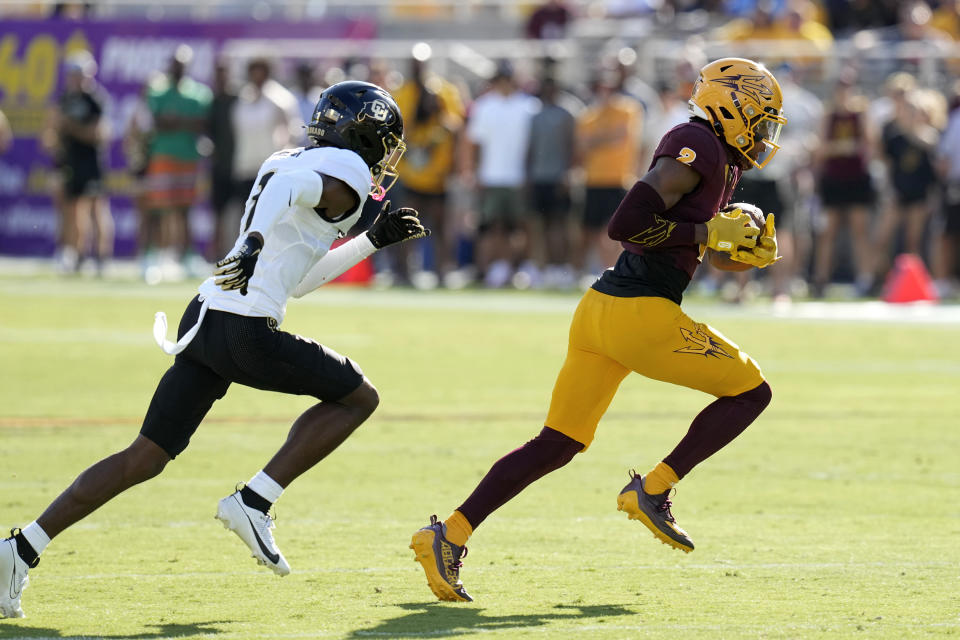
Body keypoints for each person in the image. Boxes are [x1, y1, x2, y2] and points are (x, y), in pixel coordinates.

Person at [0, 81, 429, 619]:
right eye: (384, 141)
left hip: (205, 317)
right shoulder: (345, 168)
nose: (387, 156)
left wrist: (371, 240)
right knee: (359, 397)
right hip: (244, 330)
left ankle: (20, 549)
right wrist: (250, 242)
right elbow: (288, 195)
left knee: (144, 457)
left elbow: (296, 280)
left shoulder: (293, 156)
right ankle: (255, 500)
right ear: (360, 134)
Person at [410, 58, 785, 602]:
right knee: (752, 391)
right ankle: (654, 488)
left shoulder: (720, 157)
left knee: (557, 443)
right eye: (761, 117)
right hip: (641, 314)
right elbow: (626, 223)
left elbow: (682, 239)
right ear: (734, 103)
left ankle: (449, 534)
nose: (764, 132)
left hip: (601, 310)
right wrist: (708, 229)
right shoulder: (698, 143)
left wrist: (741, 253)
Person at [142, 45, 212, 280]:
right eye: (174, 63)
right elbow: (160, 122)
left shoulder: (199, 93)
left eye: (181, 64)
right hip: (162, 155)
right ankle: (153, 257)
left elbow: (200, 124)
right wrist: (184, 122)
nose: (177, 68)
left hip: (188, 157)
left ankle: (188, 256)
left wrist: (176, 121)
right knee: (159, 209)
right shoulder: (157, 90)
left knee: (184, 209)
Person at [42, 50, 113, 275]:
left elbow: (97, 133)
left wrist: (69, 126)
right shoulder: (65, 99)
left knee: (96, 209)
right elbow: (52, 128)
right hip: (70, 162)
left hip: (90, 162)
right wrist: (54, 139)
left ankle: (102, 258)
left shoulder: (95, 99)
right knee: (73, 211)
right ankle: (78, 256)